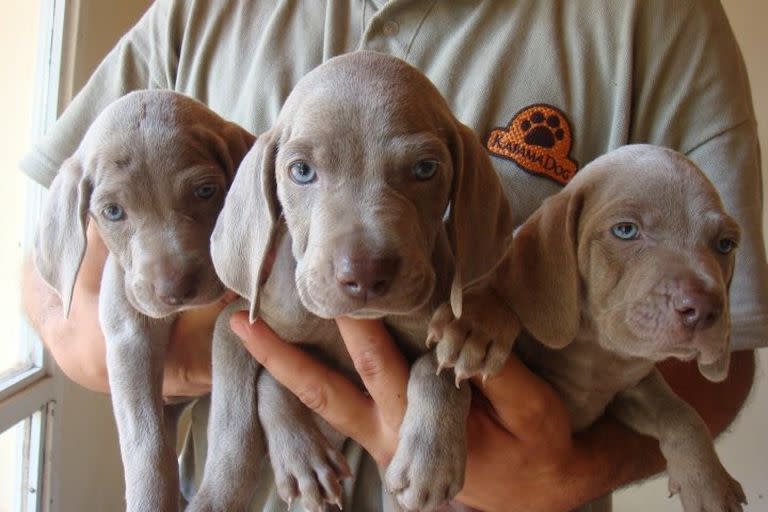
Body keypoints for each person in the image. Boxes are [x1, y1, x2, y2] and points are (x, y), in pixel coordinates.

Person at [20, 1, 766, 510]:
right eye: (302, 172)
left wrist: (566, 474)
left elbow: (717, 348)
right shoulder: (195, 11)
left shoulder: (654, 18)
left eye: (421, 171)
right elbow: (55, 289)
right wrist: (271, 369)